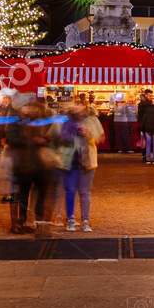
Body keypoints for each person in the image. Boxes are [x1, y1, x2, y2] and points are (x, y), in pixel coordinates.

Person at [8, 98, 56, 233]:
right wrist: (32, 140)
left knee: (40, 196)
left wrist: (45, 140)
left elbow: (51, 135)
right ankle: (20, 223)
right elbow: (12, 139)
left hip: (40, 166)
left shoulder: (42, 120)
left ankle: (39, 224)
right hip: (23, 165)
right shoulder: (16, 122)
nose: (30, 110)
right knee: (22, 195)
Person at [60, 98, 103, 231]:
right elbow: (60, 137)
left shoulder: (92, 120)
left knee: (84, 192)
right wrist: (69, 136)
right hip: (70, 160)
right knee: (70, 191)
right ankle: (71, 219)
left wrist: (89, 135)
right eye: (75, 105)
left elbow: (100, 137)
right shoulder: (66, 121)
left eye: (79, 105)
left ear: (84, 107)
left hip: (87, 159)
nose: (76, 107)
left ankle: (85, 220)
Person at [137, 90, 154, 164]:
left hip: (146, 127)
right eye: (149, 95)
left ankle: (148, 158)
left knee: (148, 143)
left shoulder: (146, 105)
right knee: (153, 143)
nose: (151, 97)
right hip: (152, 127)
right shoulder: (144, 104)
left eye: (152, 95)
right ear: (145, 95)